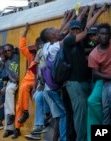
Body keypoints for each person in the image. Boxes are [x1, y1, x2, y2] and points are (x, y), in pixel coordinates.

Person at [63, 5, 106, 141]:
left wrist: (94, 11)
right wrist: (96, 11)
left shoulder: (79, 44)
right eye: (73, 29)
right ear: (69, 31)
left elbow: (85, 27)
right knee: (81, 116)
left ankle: (91, 137)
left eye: (78, 29)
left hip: (84, 83)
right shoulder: (68, 40)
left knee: (90, 113)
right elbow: (87, 28)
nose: (76, 31)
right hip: (74, 84)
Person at [88, 23, 111, 126]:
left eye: (107, 34)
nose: (104, 36)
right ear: (97, 35)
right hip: (106, 81)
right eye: (102, 34)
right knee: (103, 107)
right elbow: (96, 73)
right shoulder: (94, 54)